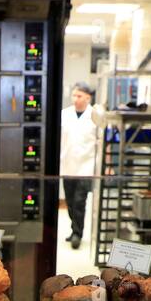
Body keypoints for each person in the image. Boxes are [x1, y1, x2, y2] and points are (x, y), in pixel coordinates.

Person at [59, 81, 103, 249]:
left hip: (86, 167)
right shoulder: (65, 114)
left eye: (79, 96)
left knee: (79, 201)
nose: (75, 99)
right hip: (67, 165)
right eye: (74, 95)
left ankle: (78, 233)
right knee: (70, 202)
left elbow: (101, 142)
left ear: (87, 97)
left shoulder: (95, 116)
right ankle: (74, 229)